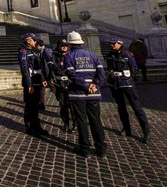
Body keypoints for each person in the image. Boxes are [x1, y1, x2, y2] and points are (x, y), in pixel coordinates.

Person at [64, 30, 106, 158]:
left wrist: (86, 86)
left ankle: (85, 148)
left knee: (81, 120)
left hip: (78, 93)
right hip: (93, 93)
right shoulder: (93, 56)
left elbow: (72, 75)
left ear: (70, 44)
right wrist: (94, 86)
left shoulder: (69, 57)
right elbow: (101, 74)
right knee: (95, 120)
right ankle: (101, 148)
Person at [105, 36, 150, 143]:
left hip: (127, 84)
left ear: (120, 44)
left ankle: (146, 131)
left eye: (114, 43)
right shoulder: (109, 55)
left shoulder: (128, 55)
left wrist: (127, 76)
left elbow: (134, 69)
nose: (112, 45)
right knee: (121, 108)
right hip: (115, 84)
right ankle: (126, 128)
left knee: (137, 108)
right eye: (111, 43)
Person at [18, 33, 48, 137]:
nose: (29, 42)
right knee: (30, 105)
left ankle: (37, 126)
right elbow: (25, 69)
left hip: (37, 82)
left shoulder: (35, 51)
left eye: (31, 40)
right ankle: (30, 127)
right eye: (28, 40)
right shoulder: (23, 51)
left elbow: (39, 68)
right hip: (30, 83)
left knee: (35, 105)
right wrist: (29, 84)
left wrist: (43, 79)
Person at [49, 38, 75, 132]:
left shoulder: (71, 54)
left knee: (72, 104)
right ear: (58, 46)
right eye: (62, 46)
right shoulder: (54, 55)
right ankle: (66, 123)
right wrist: (60, 64)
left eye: (66, 46)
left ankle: (75, 124)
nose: (64, 47)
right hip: (60, 83)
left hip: (70, 82)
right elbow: (51, 67)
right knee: (62, 104)